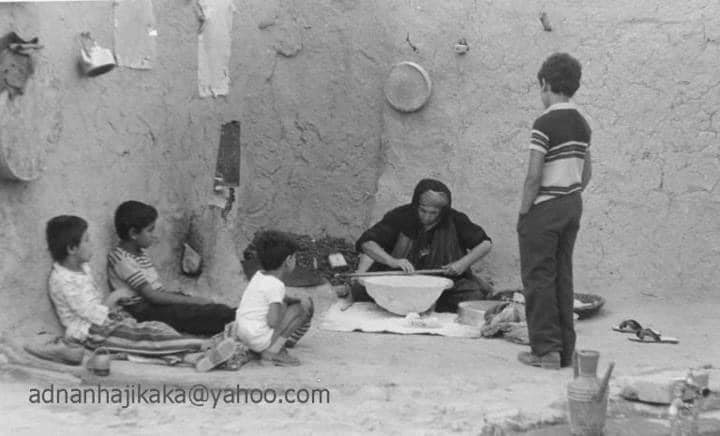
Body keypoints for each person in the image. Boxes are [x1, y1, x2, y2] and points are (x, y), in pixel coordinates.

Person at [40, 215, 209, 362]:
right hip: (90, 334)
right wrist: (114, 298)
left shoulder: (82, 268)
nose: (91, 244)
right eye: (87, 240)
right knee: (144, 338)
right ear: (72, 248)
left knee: (154, 328)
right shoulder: (64, 280)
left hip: (103, 324)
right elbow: (91, 313)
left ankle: (189, 355)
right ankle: (200, 346)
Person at [516, 53, 592, 370]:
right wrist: (568, 192)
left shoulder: (544, 123)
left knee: (538, 278)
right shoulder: (582, 123)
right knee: (562, 276)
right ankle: (565, 350)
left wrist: (524, 212)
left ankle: (545, 350)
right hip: (572, 204)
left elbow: (533, 176)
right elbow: (587, 173)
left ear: (545, 83)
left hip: (544, 208)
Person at [340, 178, 493, 312]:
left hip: (441, 287)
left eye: (433, 213)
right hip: (398, 282)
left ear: (443, 211)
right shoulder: (400, 216)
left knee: (473, 295)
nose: (427, 217)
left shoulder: (455, 220)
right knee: (360, 290)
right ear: (416, 205)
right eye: (423, 211)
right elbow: (367, 243)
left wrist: (462, 264)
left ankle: (426, 307)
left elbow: (485, 243)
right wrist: (392, 261)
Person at [107, 201, 236, 336]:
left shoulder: (139, 253)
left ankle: (233, 315)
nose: (154, 235)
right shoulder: (121, 258)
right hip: (143, 310)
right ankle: (233, 319)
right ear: (133, 233)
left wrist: (190, 301)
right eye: (150, 230)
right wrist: (194, 301)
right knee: (196, 313)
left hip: (153, 303)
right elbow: (152, 296)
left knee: (200, 306)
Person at [234, 230, 313, 366]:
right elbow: (272, 322)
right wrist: (283, 308)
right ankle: (273, 351)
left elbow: (267, 297)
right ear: (288, 260)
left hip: (243, 334)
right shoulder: (276, 285)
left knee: (288, 305)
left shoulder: (258, 276)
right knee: (301, 309)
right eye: (295, 258)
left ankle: (255, 350)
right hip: (258, 339)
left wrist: (286, 300)